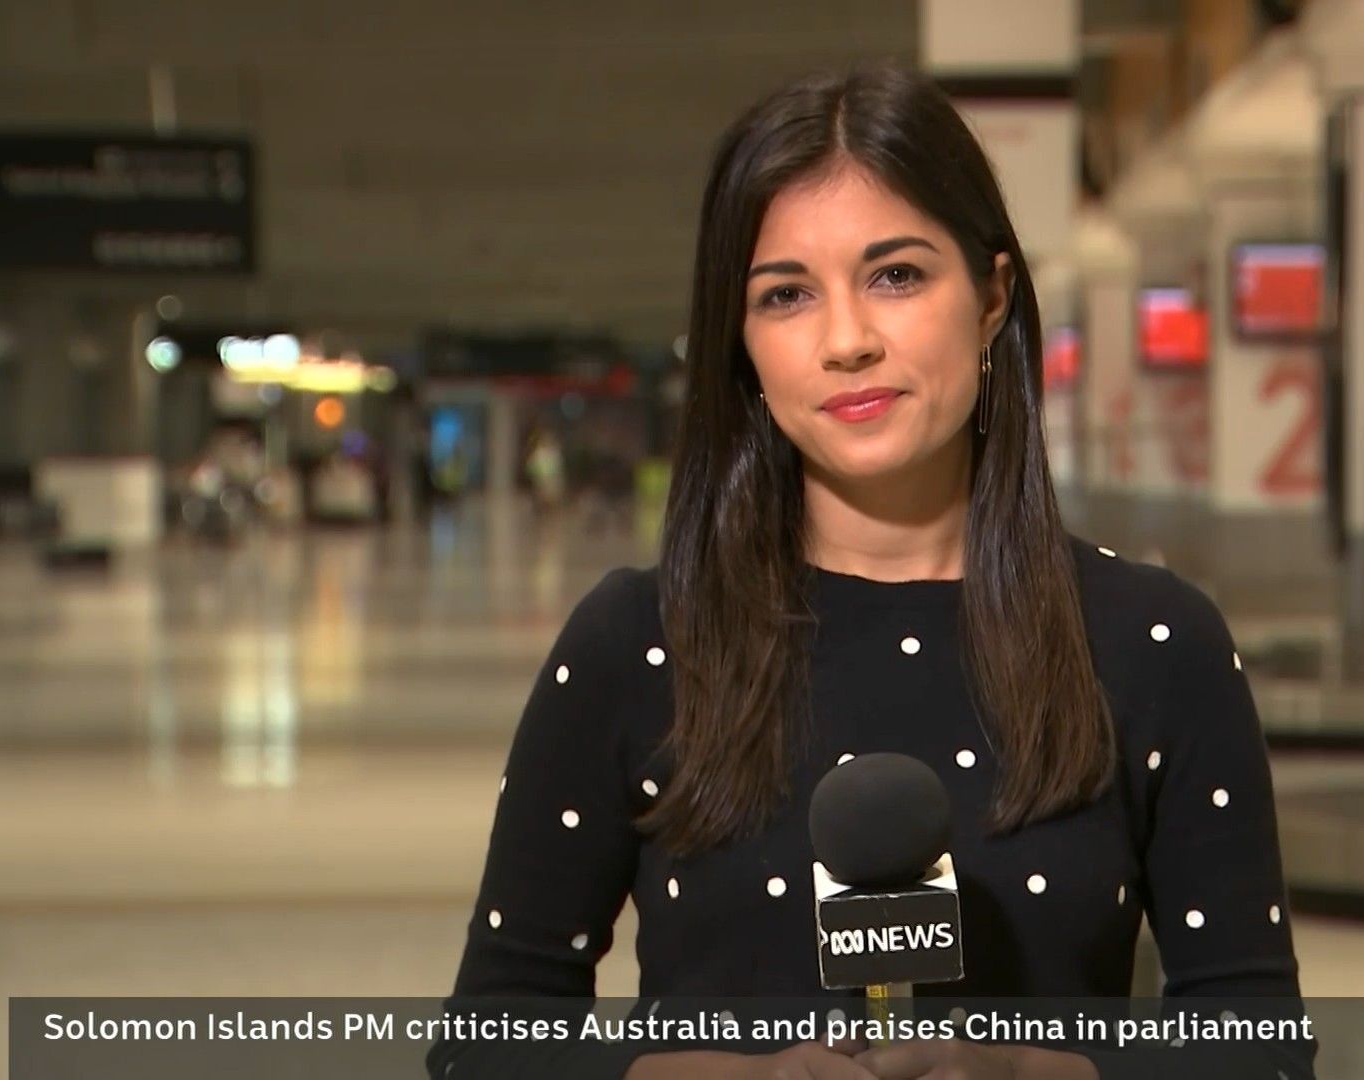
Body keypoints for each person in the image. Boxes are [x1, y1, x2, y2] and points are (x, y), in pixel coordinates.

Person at [430, 62, 1312, 1080]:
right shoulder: (636, 643)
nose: (846, 341)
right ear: (741, 343)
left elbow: (1259, 1051)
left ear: (991, 296)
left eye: (896, 276)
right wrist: (727, 1078)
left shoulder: (1154, 644)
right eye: (786, 295)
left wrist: (1030, 1074)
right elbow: (487, 1044)